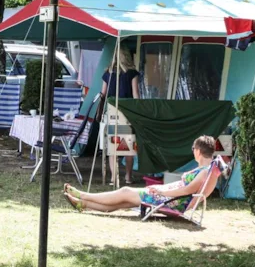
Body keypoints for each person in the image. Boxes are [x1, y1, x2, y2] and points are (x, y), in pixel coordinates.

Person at [63, 135, 224, 214]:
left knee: (125, 192)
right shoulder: (207, 170)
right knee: (123, 201)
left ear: (198, 151)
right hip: (172, 198)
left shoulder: (204, 173)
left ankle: (83, 195)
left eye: (193, 150)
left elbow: (185, 191)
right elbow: (183, 188)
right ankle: (83, 205)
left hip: (173, 201)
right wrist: (160, 188)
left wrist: (162, 191)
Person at [100, 47, 140, 184]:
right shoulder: (132, 73)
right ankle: (128, 177)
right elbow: (135, 95)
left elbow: (103, 94)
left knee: (113, 146)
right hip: (127, 113)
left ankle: (113, 177)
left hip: (112, 112)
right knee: (128, 146)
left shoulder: (107, 73)